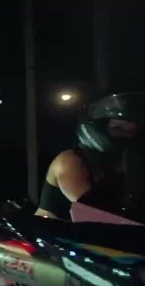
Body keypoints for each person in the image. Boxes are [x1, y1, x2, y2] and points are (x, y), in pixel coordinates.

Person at [38, 92, 143, 221]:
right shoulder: (70, 160)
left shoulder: (120, 165)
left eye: (131, 131)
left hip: (98, 233)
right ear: (99, 127)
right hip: (51, 232)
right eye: (118, 128)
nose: (125, 135)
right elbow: (95, 211)